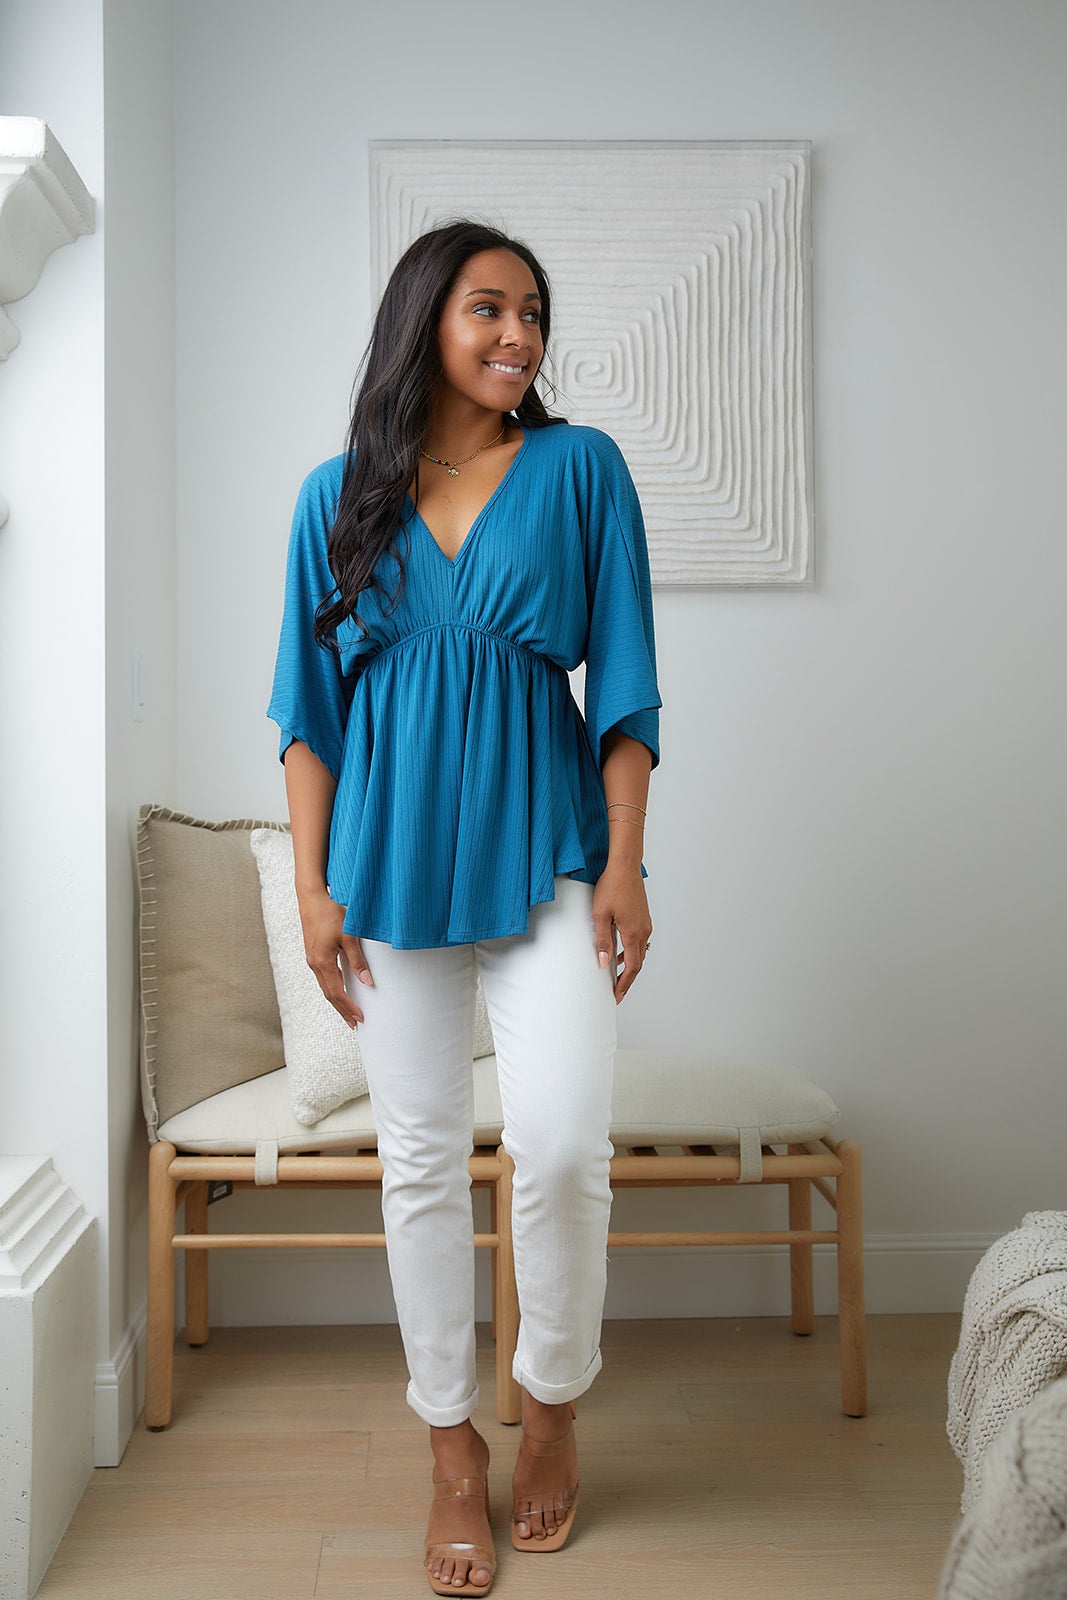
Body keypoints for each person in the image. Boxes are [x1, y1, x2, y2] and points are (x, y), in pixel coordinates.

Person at [268, 218, 661, 1596]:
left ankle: (548, 1406)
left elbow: (626, 686)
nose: (518, 335)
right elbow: (308, 718)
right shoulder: (337, 497)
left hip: (552, 854)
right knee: (422, 1162)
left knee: (558, 1146)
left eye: (534, 314)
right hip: (386, 869)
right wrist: (312, 892)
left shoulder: (580, 469)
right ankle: (450, 1449)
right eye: (490, 307)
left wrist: (626, 864)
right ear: (425, 318)